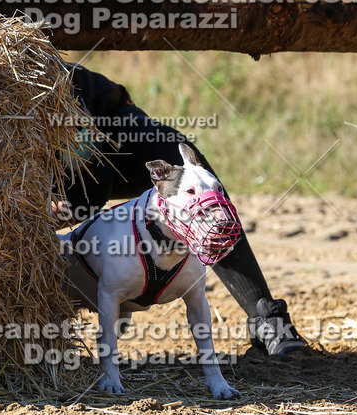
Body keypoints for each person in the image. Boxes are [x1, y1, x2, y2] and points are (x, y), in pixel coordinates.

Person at [53, 61, 306, 355]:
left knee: (183, 161)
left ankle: (266, 316)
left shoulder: (49, 78)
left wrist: (74, 205)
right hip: (55, 168)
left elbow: (94, 174)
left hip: (110, 123)